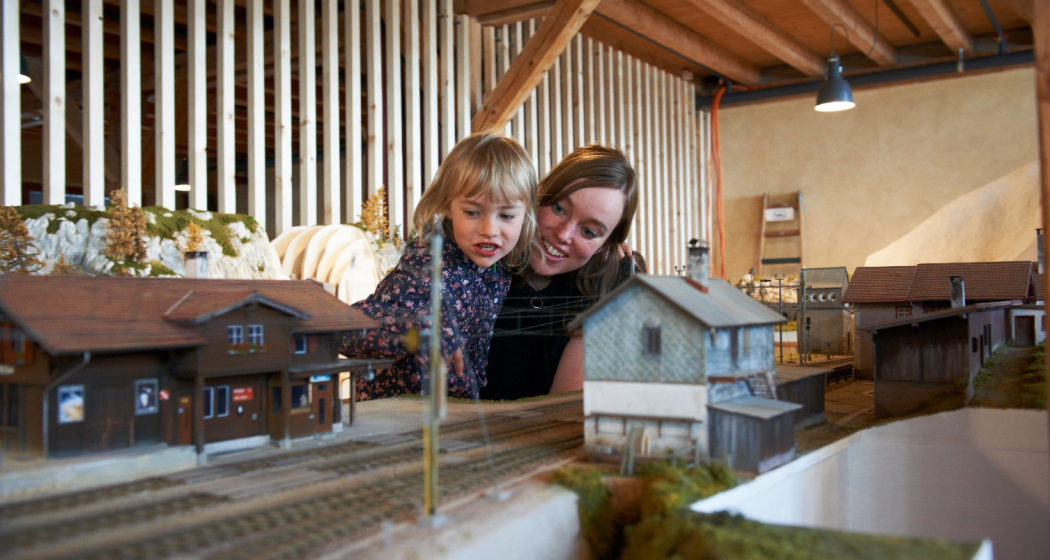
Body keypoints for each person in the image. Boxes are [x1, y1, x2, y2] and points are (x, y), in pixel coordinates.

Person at [341, 133, 537, 400]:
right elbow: (348, 332)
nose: (489, 229)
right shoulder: (427, 264)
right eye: (472, 212)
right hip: (392, 415)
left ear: (526, 214)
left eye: (506, 215)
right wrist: (416, 330)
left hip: (451, 414)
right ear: (447, 205)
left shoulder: (499, 269)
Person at [481, 144, 640, 400]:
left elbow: (560, 415)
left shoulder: (611, 286)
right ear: (539, 193)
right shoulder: (480, 257)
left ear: (607, 246)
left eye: (589, 231)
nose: (564, 234)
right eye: (558, 208)